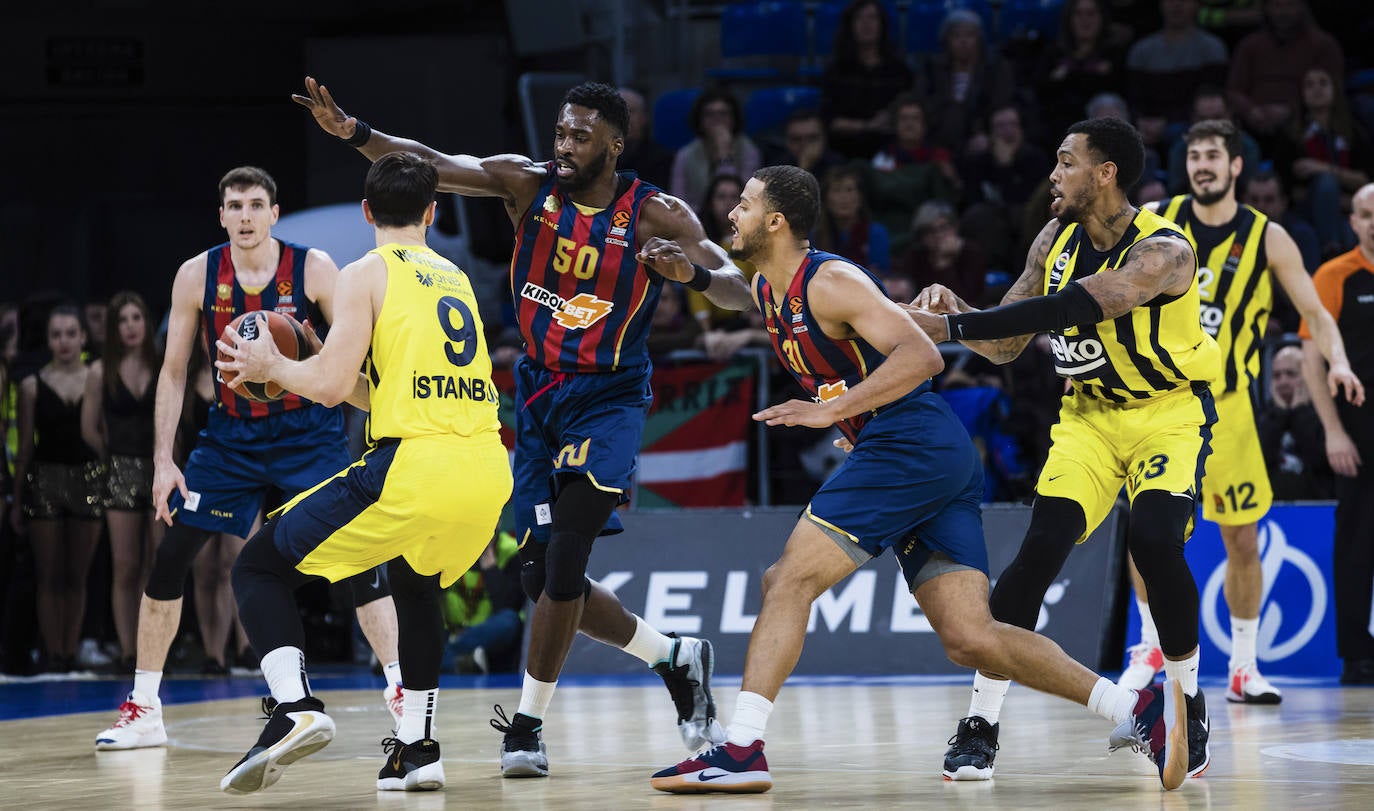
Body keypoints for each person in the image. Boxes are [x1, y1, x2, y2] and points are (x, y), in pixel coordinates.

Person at [650, 165, 1189, 795]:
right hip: (931, 454)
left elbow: (924, 356)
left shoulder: (831, 281)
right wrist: (688, 273)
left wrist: (831, 409)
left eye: (743, 205)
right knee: (971, 637)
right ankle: (1135, 712)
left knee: (785, 579)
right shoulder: (770, 285)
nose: (731, 215)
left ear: (775, 222)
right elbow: (735, 294)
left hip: (904, 440)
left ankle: (741, 748)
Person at [295, 76, 756, 777]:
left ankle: (528, 725)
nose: (564, 146)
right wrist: (355, 132)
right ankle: (675, 656)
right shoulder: (525, 184)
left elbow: (737, 285)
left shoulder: (654, 212)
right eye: (561, 132)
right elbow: (431, 162)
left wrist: (689, 275)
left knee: (567, 555)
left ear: (614, 144)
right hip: (538, 395)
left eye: (579, 136)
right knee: (544, 579)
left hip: (609, 396)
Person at [901, 117, 1218, 782]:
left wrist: (951, 323)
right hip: (1090, 420)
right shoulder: (1054, 237)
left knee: (1156, 540)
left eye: (1067, 162)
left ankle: (1186, 701)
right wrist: (954, 307)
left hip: (1168, 413)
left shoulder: (1165, 252)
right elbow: (1007, 343)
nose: (1054, 174)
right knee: (1039, 548)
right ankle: (981, 722)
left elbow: (1084, 304)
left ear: (1106, 174)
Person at [212, 151, 511, 793]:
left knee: (257, 566)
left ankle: (293, 708)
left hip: (414, 466)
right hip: (486, 467)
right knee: (415, 581)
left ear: (367, 212)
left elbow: (323, 388)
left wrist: (274, 368)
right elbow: (372, 390)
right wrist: (321, 356)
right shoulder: (455, 277)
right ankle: (418, 750)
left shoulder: (364, 272)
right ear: (432, 213)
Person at [94, 166, 402, 751]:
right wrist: (165, 459)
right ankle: (144, 706)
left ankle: (398, 689)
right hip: (231, 439)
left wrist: (372, 429)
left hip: (309, 435)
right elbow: (174, 371)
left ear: (274, 212)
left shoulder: (314, 268)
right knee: (171, 557)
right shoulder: (196, 276)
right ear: (221, 216)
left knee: (361, 557)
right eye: (234, 206)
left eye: (255, 204)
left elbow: (358, 356)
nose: (244, 216)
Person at [1116, 117, 1363, 703]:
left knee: (1243, 540)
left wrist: (1339, 361)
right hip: (1161, 404)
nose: (1201, 164)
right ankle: (1150, 648)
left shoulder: (1269, 237)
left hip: (1227, 409)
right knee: (1148, 536)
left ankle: (1243, 668)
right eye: (1193, 154)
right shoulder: (1156, 222)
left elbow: (1317, 312)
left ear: (1234, 168)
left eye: (1212, 156)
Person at [1301, 182, 1374, 685]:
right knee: (1356, 544)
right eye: (1367, 214)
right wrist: (1332, 432)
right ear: (1354, 221)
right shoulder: (1335, 274)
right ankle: (1357, 656)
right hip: (1358, 432)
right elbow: (1311, 359)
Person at [11, 305, 103, 672]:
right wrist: (17, 499)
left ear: (82, 337)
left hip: (88, 479)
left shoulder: (96, 378)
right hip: (45, 479)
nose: (63, 341)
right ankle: (54, 655)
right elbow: (26, 448)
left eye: (70, 333)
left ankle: (71, 650)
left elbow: (102, 434)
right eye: (56, 334)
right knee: (49, 574)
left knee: (77, 575)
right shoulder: (32, 385)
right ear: (47, 340)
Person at [80, 291, 162, 673]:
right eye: (122, 320)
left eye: (136, 318)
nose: (130, 326)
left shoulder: (162, 363)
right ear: (113, 329)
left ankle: (153, 651)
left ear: (146, 322)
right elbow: (89, 428)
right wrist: (113, 459)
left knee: (155, 564)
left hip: (159, 468)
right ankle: (129, 650)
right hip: (121, 470)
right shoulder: (100, 371)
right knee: (125, 565)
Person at [1226, 0, 1344, 148]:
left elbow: (1333, 89)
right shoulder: (1249, 45)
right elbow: (1234, 90)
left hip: (1305, 122)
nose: (1283, 12)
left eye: (1290, 5)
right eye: (1277, 5)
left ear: (1302, 7)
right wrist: (1251, 110)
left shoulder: (1324, 44)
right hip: (1251, 123)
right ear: (1266, 8)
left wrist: (1291, 110)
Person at [818, 0, 912, 161]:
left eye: (872, 18)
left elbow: (909, 107)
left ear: (882, 24)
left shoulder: (898, 70)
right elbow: (828, 120)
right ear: (850, 26)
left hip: (889, 148)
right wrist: (866, 126)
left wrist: (891, 116)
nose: (866, 24)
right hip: (843, 149)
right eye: (859, 18)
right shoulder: (836, 70)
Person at [1126, 0, 1230, 130]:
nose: (1177, 4)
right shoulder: (1141, 50)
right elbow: (1135, 100)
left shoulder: (1212, 48)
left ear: (1197, 4)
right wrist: (1143, 121)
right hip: (1149, 127)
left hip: (1196, 126)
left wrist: (1170, 123)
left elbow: (1211, 98)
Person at [669, 88, 761, 217]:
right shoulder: (685, 154)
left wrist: (724, 155)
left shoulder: (748, 151)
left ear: (734, 119)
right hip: (695, 222)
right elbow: (677, 203)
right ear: (700, 120)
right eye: (709, 114)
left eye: (723, 113)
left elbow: (742, 198)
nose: (717, 119)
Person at [1257, 344, 1333, 499]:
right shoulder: (1265, 415)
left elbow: (1320, 461)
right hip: (1272, 507)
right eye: (1277, 376)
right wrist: (1280, 414)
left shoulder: (1326, 414)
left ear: (1308, 375)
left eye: (1291, 374)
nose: (1283, 381)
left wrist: (1300, 413)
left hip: (1318, 505)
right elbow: (1259, 462)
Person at [811, 164, 889, 275]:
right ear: (826, 199)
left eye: (849, 190)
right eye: (837, 190)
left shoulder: (876, 233)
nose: (844, 197)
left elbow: (878, 276)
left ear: (860, 198)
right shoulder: (813, 235)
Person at [616, 86, 673, 191]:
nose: (624, 118)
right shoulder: (600, 159)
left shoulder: (662, 159)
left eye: (631, 111)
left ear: (644, 117)